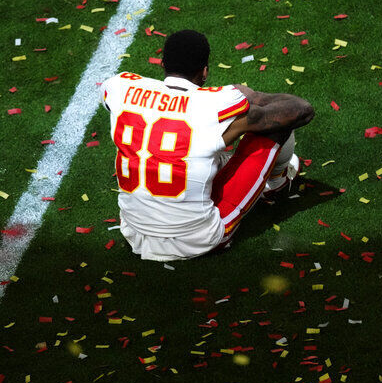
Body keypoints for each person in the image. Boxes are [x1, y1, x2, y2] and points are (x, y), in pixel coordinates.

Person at [100, 30, 314, 261]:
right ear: (204, 71)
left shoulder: (119, 87)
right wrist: (252, 95)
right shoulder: (217, 101)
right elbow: (302, 110)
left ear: (163, 63)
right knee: (274, 125)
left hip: (135, 231)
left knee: (195, 153)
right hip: (196, 240)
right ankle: (276, 184)